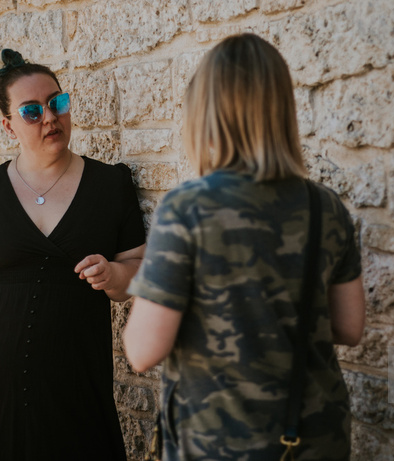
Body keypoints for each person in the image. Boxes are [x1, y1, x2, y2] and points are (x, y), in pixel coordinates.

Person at [123, 34, 365, 461]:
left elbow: (143, 350)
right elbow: (349, 327)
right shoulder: (324, 206)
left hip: (219, 444)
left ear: (208, 114)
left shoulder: (187, 208)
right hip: (315, 439)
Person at [0, 49, 145, 461]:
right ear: (8, 126)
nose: (50, 118)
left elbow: (138, 269)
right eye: (32, 111)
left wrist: (113, 274)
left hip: (74, 388)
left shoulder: (111, 185)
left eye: (57, 103)